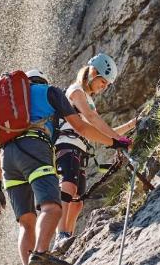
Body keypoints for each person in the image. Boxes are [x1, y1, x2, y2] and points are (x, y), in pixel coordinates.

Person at [0, 68, 117, 265]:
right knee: (52, 207)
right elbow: (82, 127)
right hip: (34, 150)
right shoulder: (50, 92)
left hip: (8, 159)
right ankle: (41, 253)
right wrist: (113, 142)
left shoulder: (9, 107)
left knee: (26, 223)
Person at [54, 52, 137, 248]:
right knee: (69, 186)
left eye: (107, 84)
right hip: (66, 144)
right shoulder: (75, 91)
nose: (105, 87)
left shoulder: (88, 100)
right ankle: (60, 236)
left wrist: (130, 126)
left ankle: (67, 239)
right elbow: (92, 119)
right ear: (93, 73)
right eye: (103, 81)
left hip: (79, 149)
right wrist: (117, 140)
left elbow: (100, 129)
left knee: (78, 200)